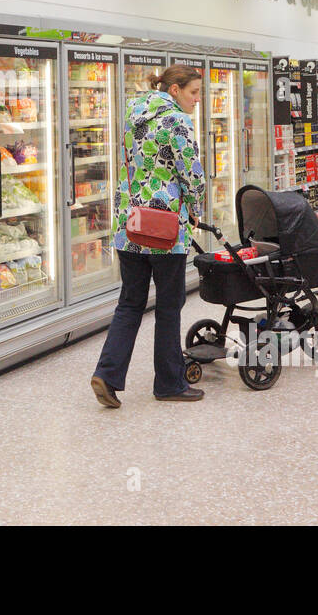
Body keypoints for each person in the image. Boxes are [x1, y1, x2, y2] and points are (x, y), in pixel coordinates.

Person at [90, 64, 206, 407]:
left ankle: (107, 374)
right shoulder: (178, 122)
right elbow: (192, 175)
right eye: (194, 92)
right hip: (165, 228)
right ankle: (169, 384)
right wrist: (196, 208)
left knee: (130, 302)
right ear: (174, 90)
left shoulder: (131, 112)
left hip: (130, 223)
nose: (198, 100)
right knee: (169, 306)